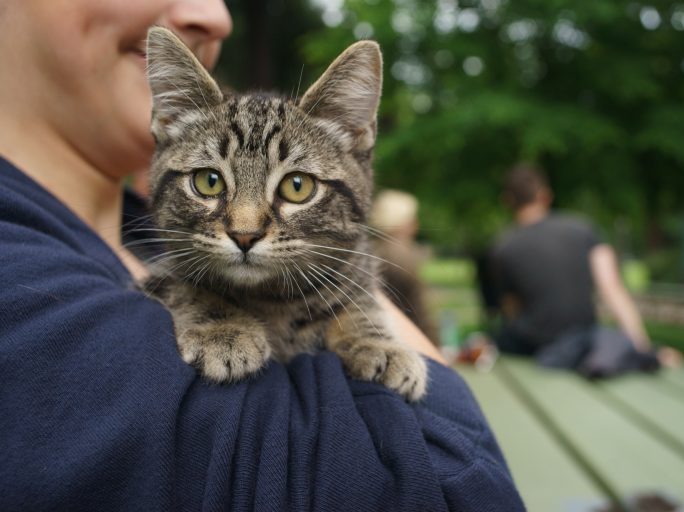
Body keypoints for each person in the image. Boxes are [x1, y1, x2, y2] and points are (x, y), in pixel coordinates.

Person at [0, 1, 526, 510]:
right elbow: (459, 491)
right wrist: (200, 304)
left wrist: (359, 324)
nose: (245, 227)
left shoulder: (126, 235)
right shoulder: (23, 286)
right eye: (210, 181)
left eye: (295, 186)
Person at [489, 165, 680, 377]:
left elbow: (511, 310)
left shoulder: (502, 248)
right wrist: (641, 347)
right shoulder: (583, 228)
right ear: (545, 196)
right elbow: (612, 288)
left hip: (534, 347)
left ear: (506, 200)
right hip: (581, 341)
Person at [370, 189, 440, 345]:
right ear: (405, 223)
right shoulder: (402, 258)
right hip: (410, 342)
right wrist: (436, 350)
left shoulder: (370, 251)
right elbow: (421, 314)